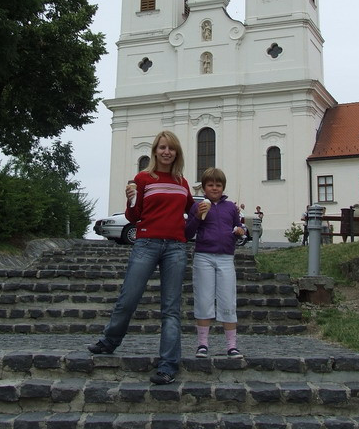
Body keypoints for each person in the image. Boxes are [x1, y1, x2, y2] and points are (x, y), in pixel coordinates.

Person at [87, 130, 204, 386]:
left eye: (171, 148)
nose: (166, 152)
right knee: (128, 298)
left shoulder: (181, 182)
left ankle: (168, 365)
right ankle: (110, 341)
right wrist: (130, 200)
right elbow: (132, 216)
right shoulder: (143, 179)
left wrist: (202, 211)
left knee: (171, 309)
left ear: (177, 153)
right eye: (162, 147)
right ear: (155, 151)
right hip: (146, 243)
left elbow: (191, 213)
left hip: (175, 247)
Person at [185, 167, 245, 359]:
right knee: (203, 298)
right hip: (204, 256)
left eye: (218, 185)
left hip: (226, 257)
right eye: (210, 185)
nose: (214, 188)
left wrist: (239, 232)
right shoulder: (198, 206)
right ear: (203, 188)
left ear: (223, 187)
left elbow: (238, 226)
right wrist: (196, 215)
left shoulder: (230, 208)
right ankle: (202, 344)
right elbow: (188, 233)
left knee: (228, 299)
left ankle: (232, 345)